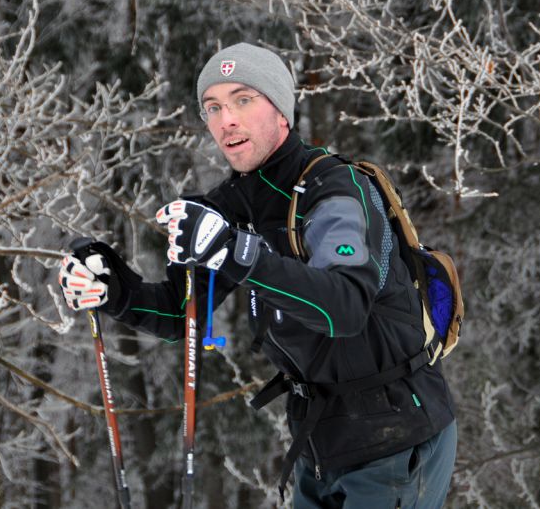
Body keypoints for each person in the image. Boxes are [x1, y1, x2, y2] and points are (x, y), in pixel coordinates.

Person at [58, 43, 457, 508]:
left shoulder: (334, 190)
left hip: (396, 438)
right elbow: (179, 315)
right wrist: (111, 289)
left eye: (243, 99)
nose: (226, 119)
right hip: (319, 441)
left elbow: (344, 308)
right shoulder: (229, 205)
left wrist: (233, 251)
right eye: (214, 107)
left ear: (281, 110)